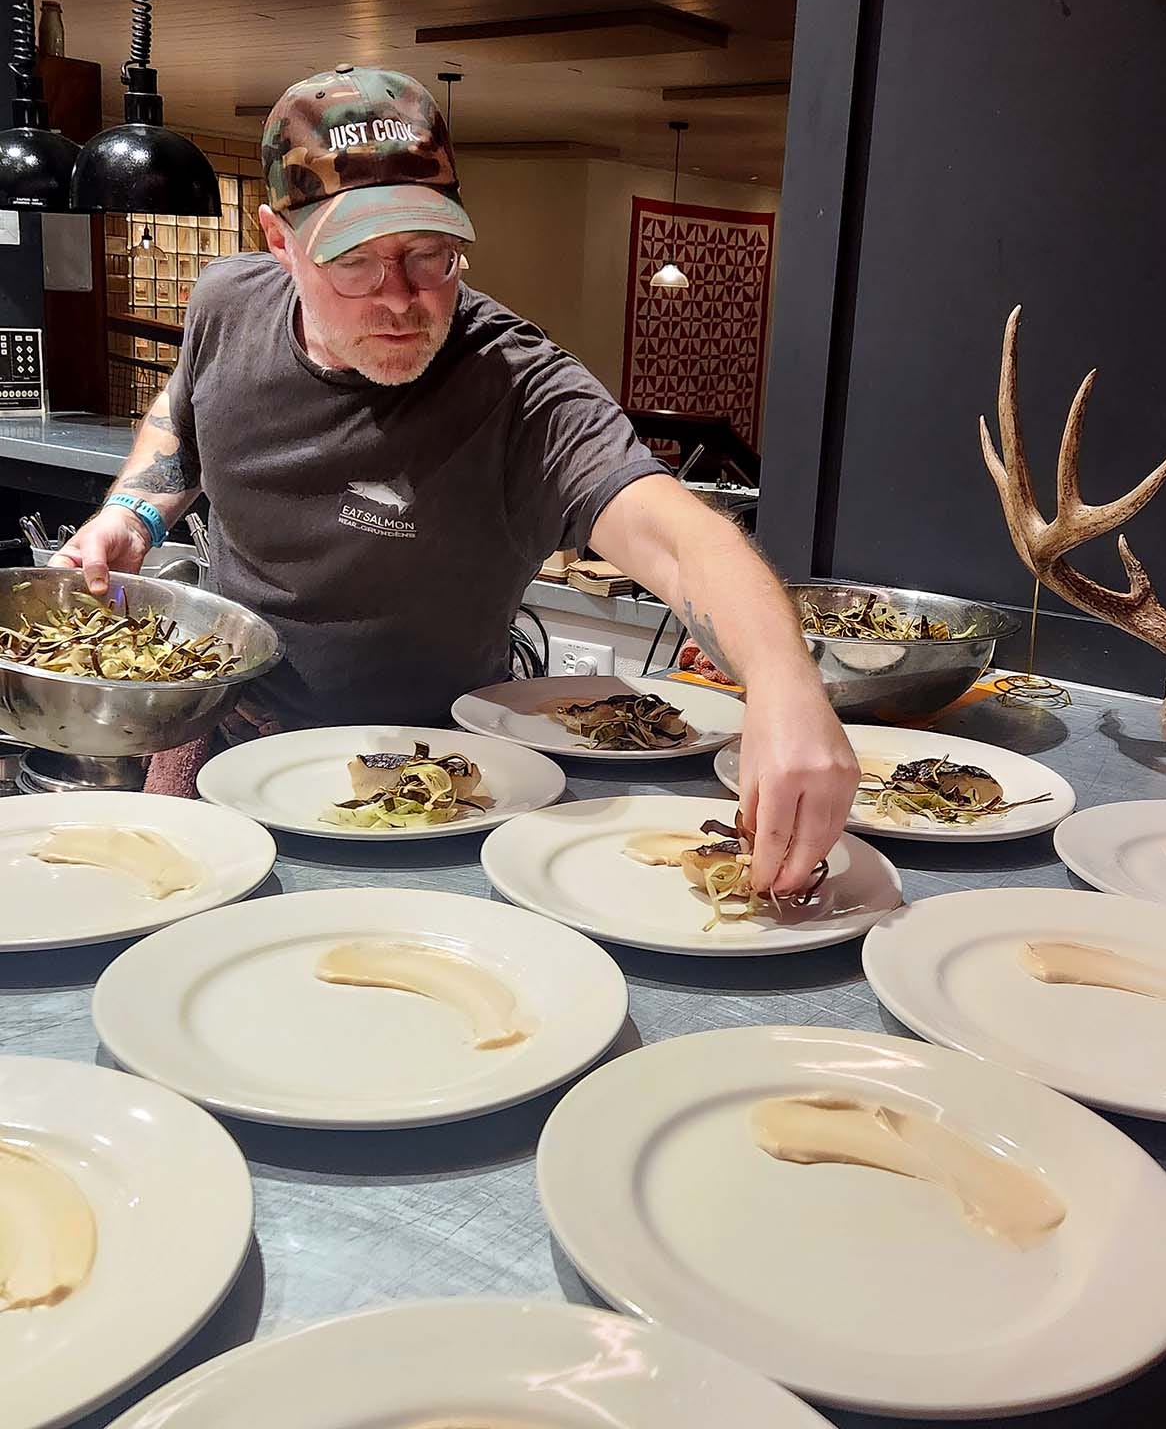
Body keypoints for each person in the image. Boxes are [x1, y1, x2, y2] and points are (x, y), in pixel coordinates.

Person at [52, 66, 857, 892]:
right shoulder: (226, 301)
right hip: (218, 738)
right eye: (356, 261)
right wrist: (131, 516)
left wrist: (786, 687)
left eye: (431, 256)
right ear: (279, 241)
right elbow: (183, 413)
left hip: (432, 779)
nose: (402, 298)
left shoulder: (518, 384)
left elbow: (677, 536)